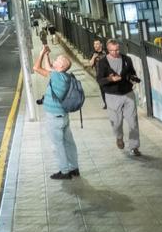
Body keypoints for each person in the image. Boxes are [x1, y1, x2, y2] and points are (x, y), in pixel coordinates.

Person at [33, 45, 80, 180]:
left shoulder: (56, 77)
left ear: (61, 66)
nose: (56, 59)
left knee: (57, 145)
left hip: (54, 118)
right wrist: (47, 55)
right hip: (63, 116)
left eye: (58, 59)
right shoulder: (64, 76)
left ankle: (64, 171)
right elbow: (49, 68)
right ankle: (74, 168)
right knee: (69, 142)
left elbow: (36, 68)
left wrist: (41, 53)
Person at [96, 39, 141, 156]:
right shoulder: (102, 62)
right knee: (116, 122)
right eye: (112, 50)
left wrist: (132, 78)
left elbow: (132, 73)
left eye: (117, 50)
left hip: (128, 93)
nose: (115, 52)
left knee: (133, 122)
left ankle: (134, 146)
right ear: (107, 50)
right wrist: (110, 79)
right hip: (112, 95)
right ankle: (119, 137)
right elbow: (99, 80)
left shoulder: (127, 59)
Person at [87, 40, 107, 109]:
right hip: (100, 75)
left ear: (101, 45)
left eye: (97, 44)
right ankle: (106, 104)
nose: (95, 46)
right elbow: (90, 64)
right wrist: (93, 57)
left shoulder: (106, 52)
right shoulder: (93, 53)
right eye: (94, 44)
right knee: (103, 90)